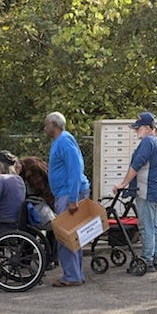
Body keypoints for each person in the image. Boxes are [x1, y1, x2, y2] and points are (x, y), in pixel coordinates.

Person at [113, 112, 157, 273]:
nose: (136, 131)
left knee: (146, 226)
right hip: (155, 189)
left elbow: (136, 166)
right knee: (154, 224)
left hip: (145, 190)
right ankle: (156, 257)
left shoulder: (148, 142)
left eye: (138, 128)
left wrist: (123, 184)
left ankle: (147, 260)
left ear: (147, 128)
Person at [44, 111, 90, 287]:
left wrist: (72, 198)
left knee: (65, 235)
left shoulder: (64, 140)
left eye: (46, 124)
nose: (44, 128)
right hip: (65, 193)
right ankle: (75, 274)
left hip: (69, 194)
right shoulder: (60, 141)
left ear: (54, 125)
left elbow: (75, 169)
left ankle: (72, 276)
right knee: (72, 235)